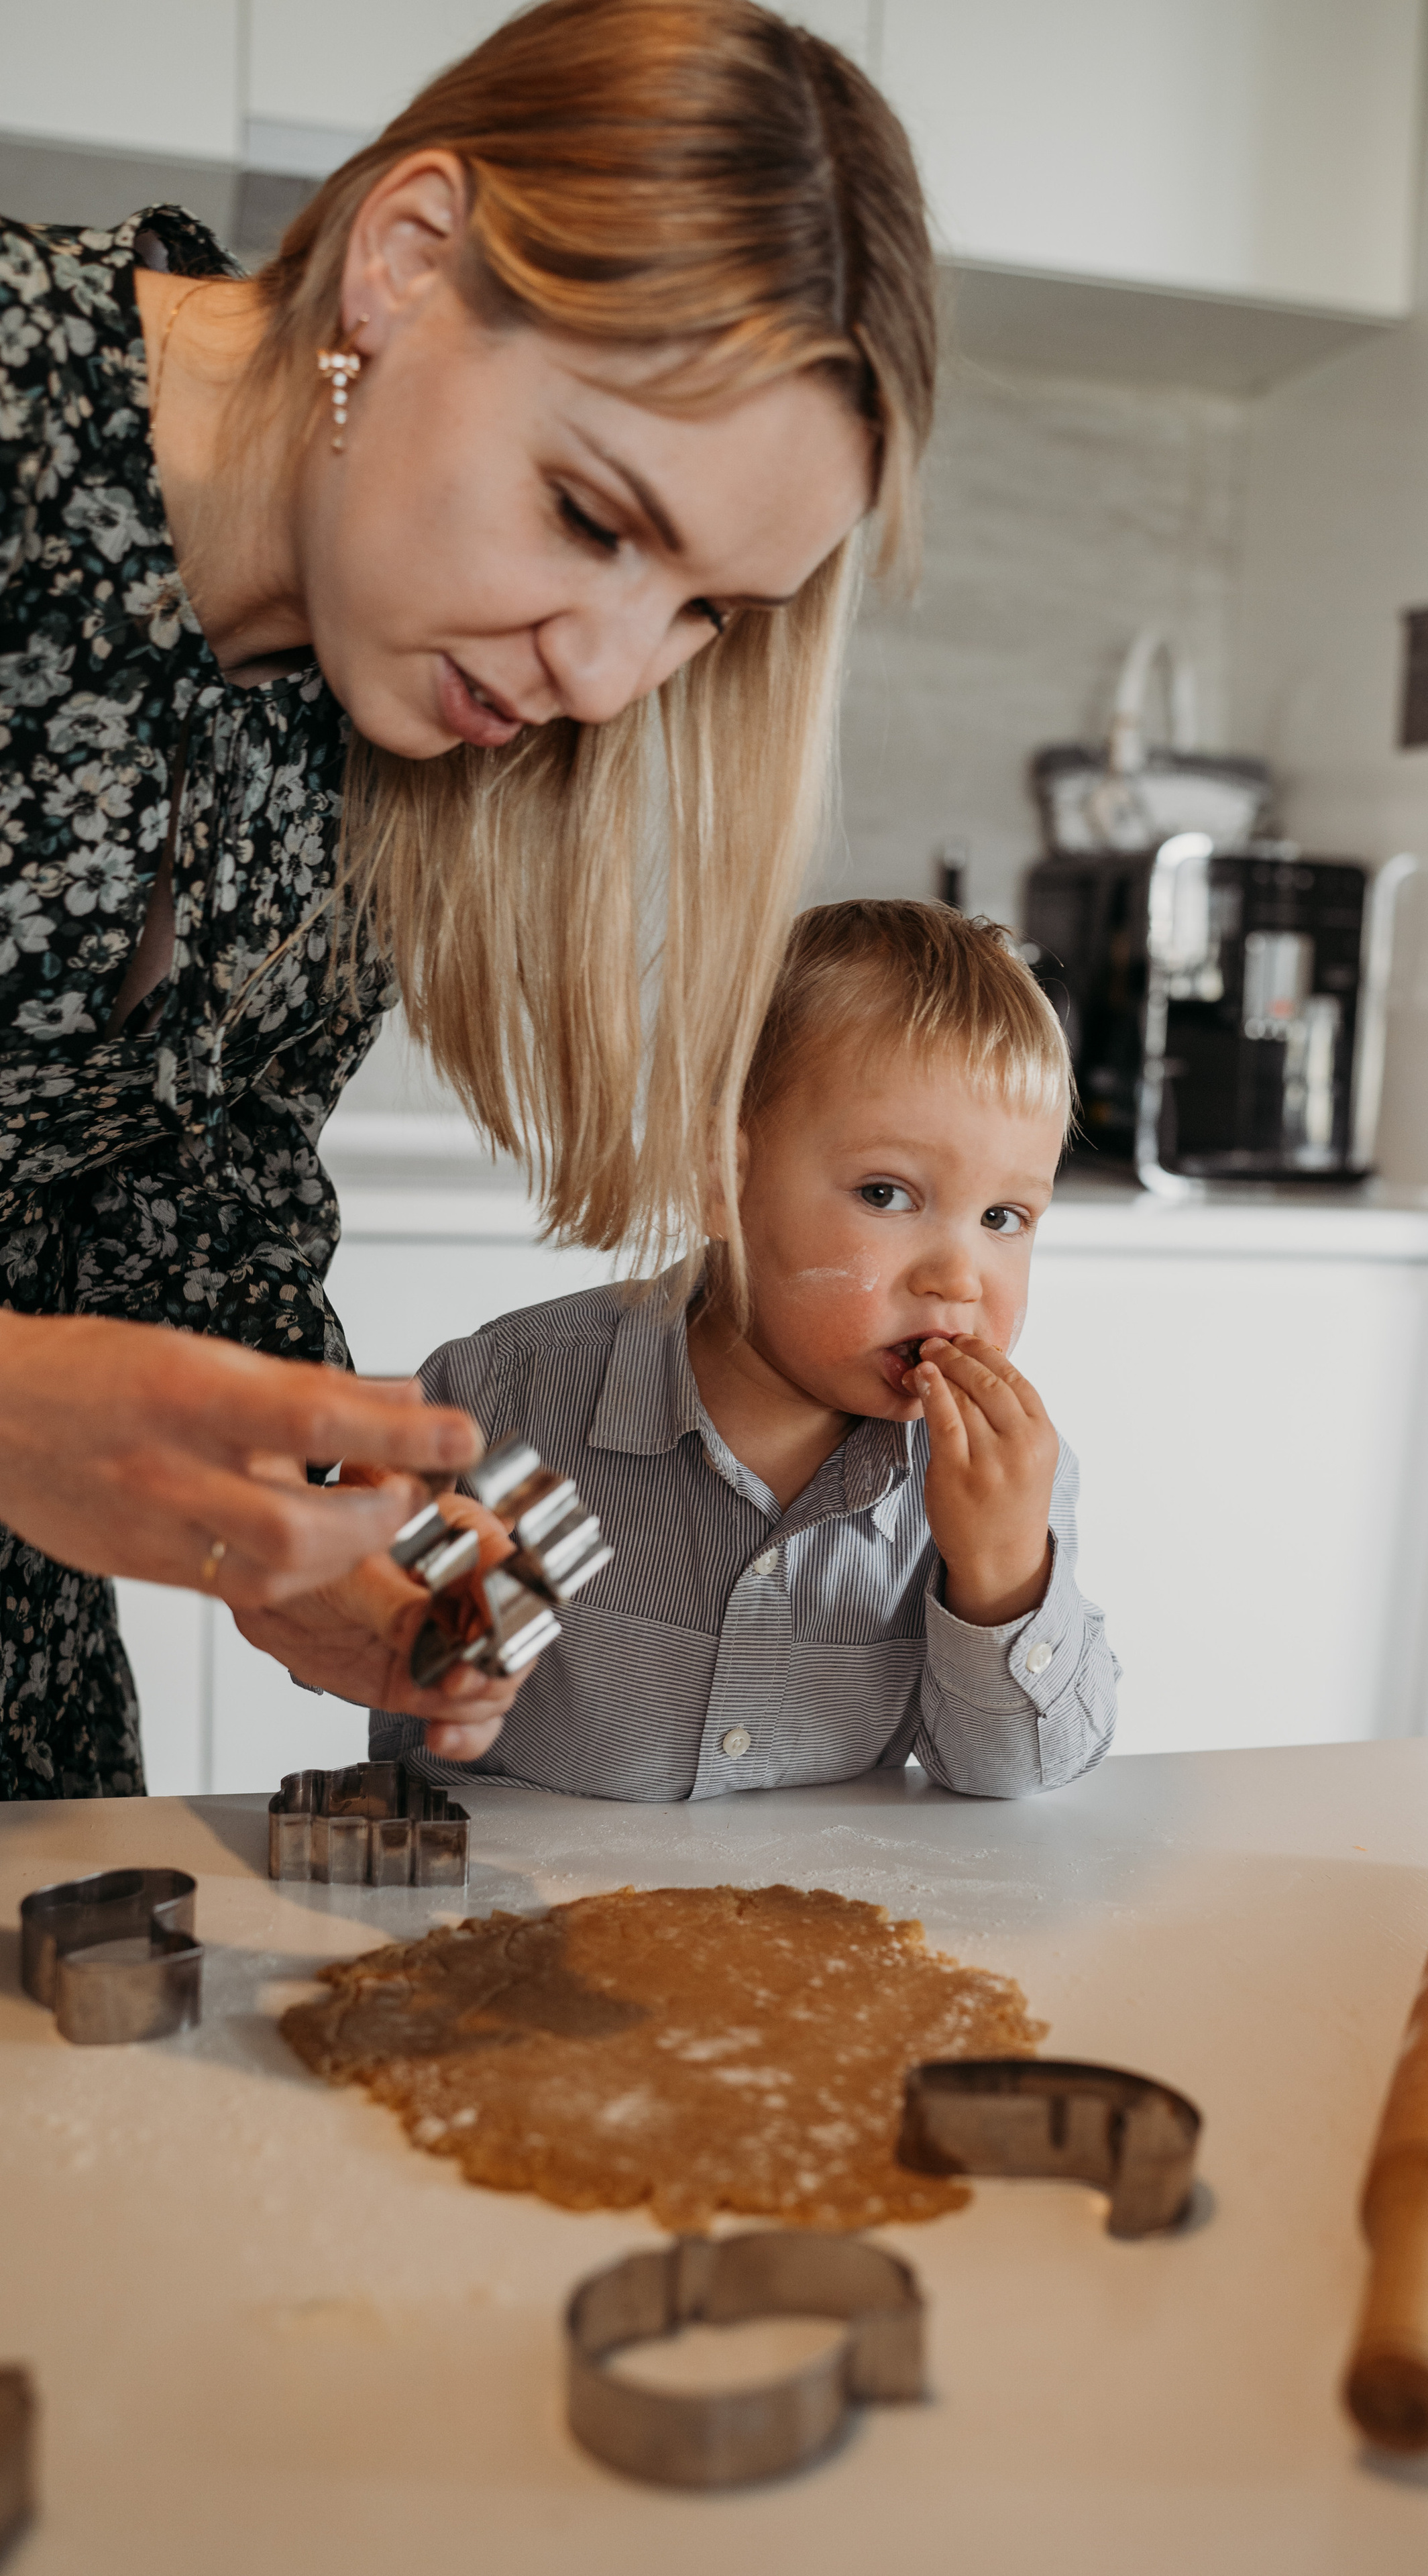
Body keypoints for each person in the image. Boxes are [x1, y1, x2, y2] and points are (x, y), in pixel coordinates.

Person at [0, 0, 936, 1796]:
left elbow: (198, 1188)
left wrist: (338, 1537)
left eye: (701, 616)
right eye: (590, 517)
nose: (603, 673)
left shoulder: (391, 705)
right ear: (405, 263)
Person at [370, 902, 1118, 1798]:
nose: (959, 1277)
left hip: (819, 1928)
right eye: (886, 1194)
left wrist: (999, 1578)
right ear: (719, 1181)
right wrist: (421, 1601)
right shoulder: (509, 1405)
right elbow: (367, 1663)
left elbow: (1021, 1775)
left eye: (1005, 1218)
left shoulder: (1000, 1485)